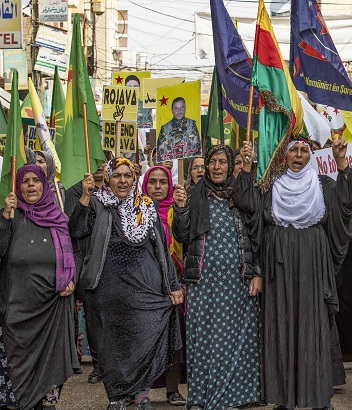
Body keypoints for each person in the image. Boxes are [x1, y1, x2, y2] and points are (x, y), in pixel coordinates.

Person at [69, 158, 184, 410]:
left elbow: (162, 250)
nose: (123, 181)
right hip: (108, 288)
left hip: (145, 286)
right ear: (108, 179)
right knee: (112, 344)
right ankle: (117, 396)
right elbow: (76, 230)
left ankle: (142, 394)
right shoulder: (98, 203)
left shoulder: (147, 206)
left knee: (143, 339)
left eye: (127, 175)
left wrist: (172, 285)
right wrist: (85, 198)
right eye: (117, 176)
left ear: (134, 179)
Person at [259, 134, 352, 410]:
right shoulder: (271, 184)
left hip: (312, 264)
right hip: (278, 264)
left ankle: (317, 397)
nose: (300, 155)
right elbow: (253, 214)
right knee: (281, 324)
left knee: (312, 327)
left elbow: (348, 201)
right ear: (284, 155)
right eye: (294, 150)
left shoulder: (322, 184)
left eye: (304, 150)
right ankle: (282, 398)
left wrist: (341, 163)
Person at [172, 143, 263, 410]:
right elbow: (181, 234)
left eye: (222, 162)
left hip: (238, 281)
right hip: (203, 282)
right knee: (206, 343)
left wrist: (257, 272)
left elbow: (257, 236)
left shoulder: (242, 195)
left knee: (237, 340)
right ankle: (204, 398)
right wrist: (180, 208)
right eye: (212, 162)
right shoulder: (193, 194)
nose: (217, 167)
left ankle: (235, 397)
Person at [0, 164, 78, 410]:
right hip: (16, 314)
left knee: (49, 383)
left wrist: (71, 278)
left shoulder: (59, 218)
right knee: (16, 387)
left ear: (45, 186)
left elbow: (72, 255)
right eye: (25, 181)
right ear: (18, 186)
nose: (31, 185)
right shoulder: (10, 216)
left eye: (36, 180)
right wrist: (4, 220)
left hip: (52, 311)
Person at [141, 166, 187, 407]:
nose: (158, 187)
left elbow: (183, 239)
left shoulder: (175, 211)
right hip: (144, 285)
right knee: (145, 340)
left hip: (172, 283)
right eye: (153, 182)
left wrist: (180, 210)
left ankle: (173, 390)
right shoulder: (135, 211)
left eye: (162, 182)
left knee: (175, 336)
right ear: (145, 184)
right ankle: (141, 391)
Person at [64, 162, 106, 384]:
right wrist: (85, 197)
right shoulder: (73, 191)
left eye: (103, 162)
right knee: (81, 313)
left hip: (101, 260)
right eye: (95, 162)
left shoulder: (108, 192)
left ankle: (102, 364)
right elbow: (72, 228)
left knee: (98, 315)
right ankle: (75, 358)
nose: (98, 166)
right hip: (79, 260)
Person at [157, 97, 202, 162]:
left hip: (189, 164)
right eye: (176, 108)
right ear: (172, 110)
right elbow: (160, 153)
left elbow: (198, 149)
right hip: (171, 166)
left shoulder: (192, 125)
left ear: (185, 109)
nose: (179, 111)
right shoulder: (165, 128)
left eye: (182, 108)